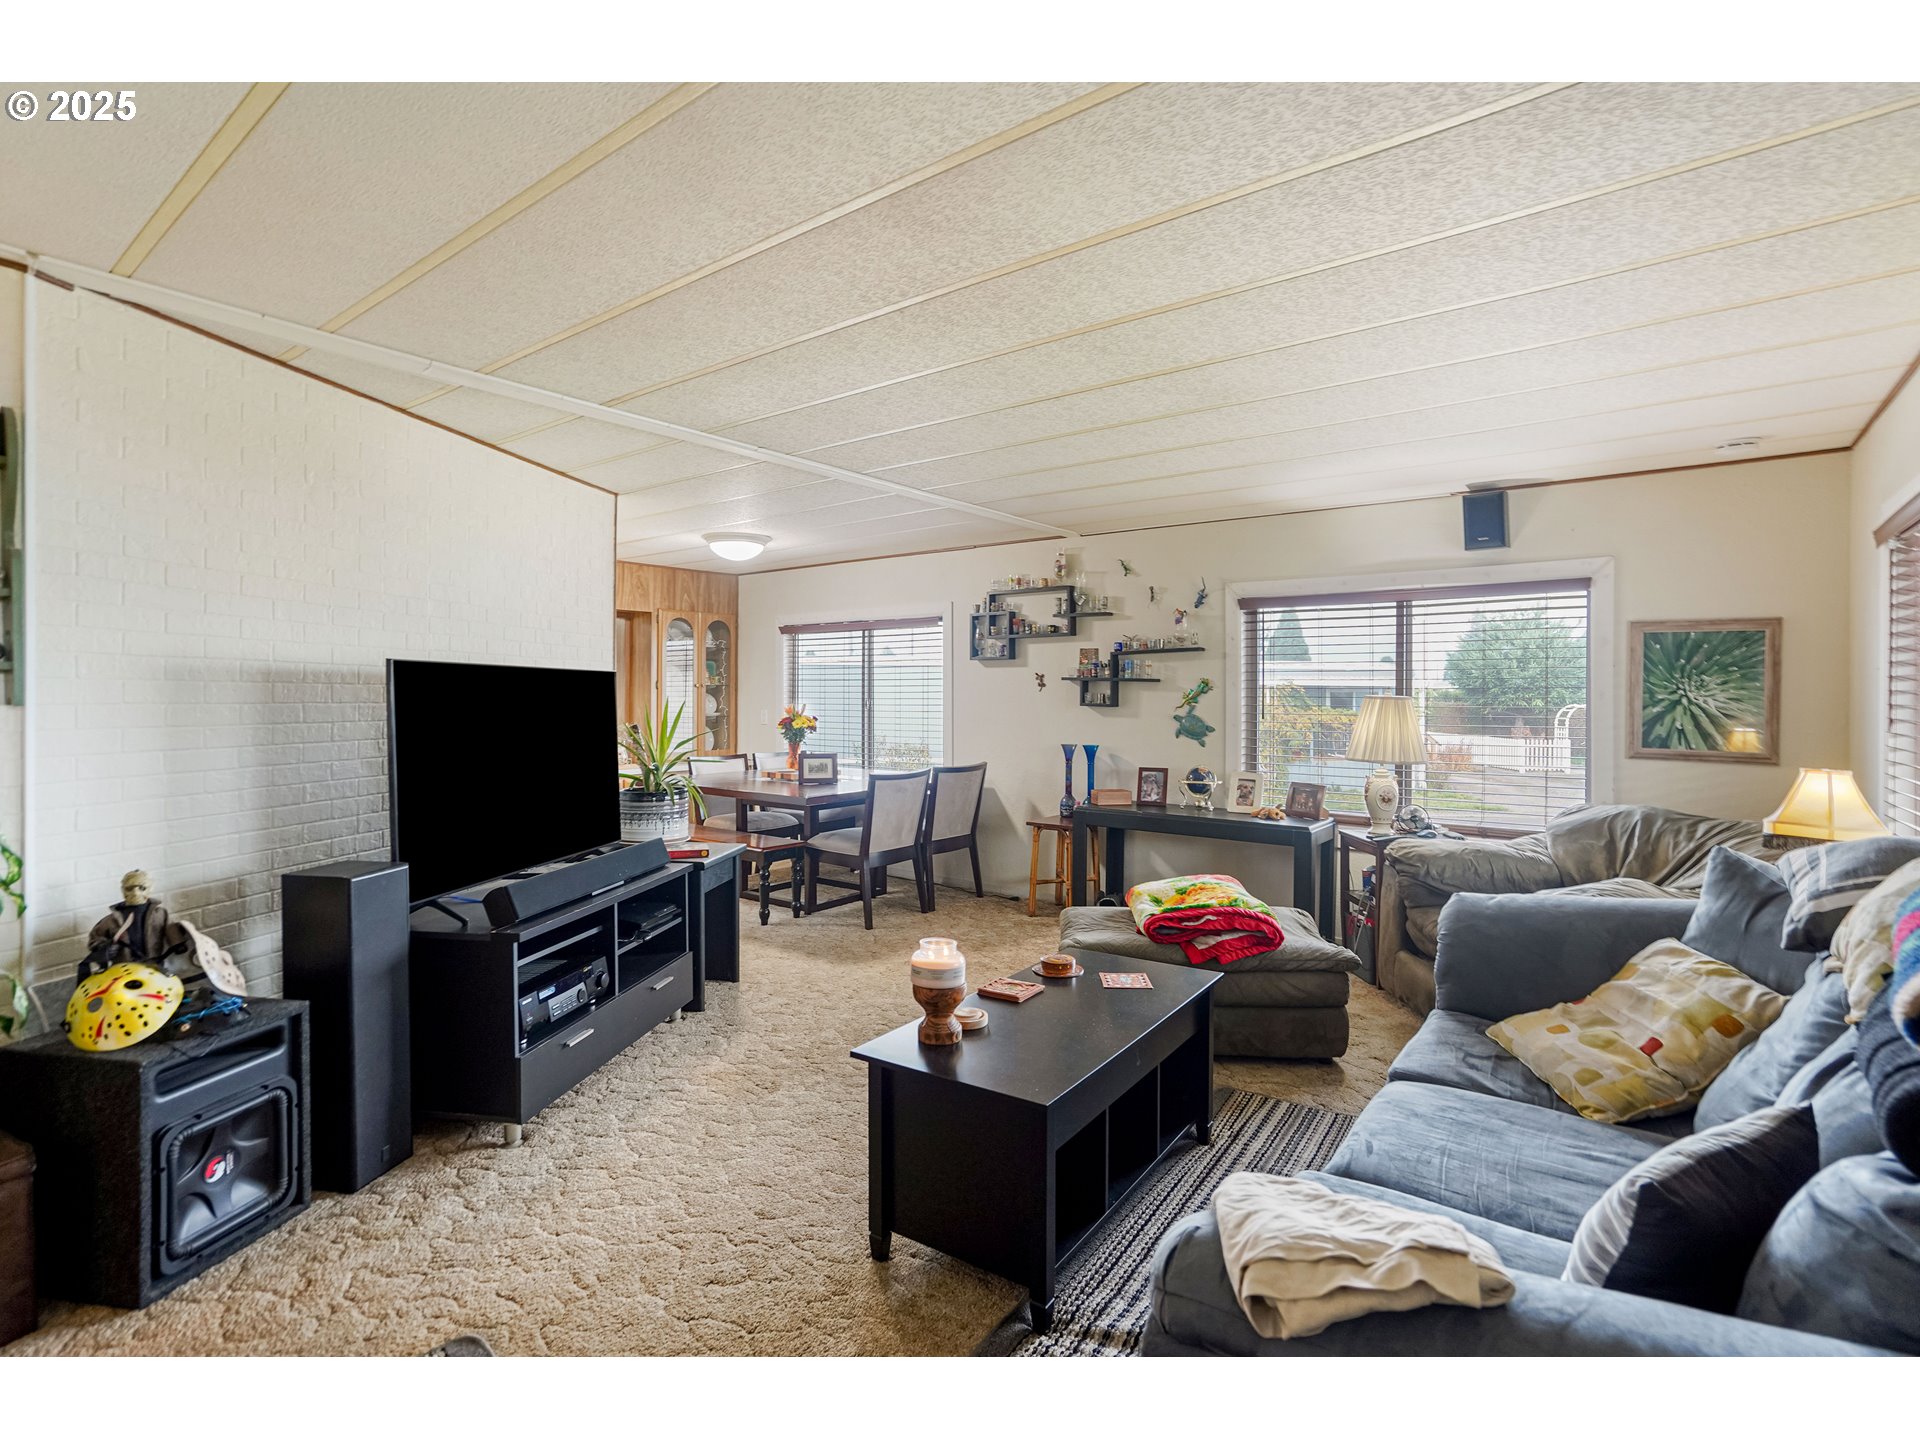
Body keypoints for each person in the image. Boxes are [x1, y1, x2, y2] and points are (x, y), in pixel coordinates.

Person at [80, 869, 188, 983]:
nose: (135, 893)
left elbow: (171, 929)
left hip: (153, 965)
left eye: (142, 888)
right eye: (129, 888)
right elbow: (96, 939)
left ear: (150, 889)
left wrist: (178, 943)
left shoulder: (160, 914)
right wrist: (105, 948)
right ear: (123, 890)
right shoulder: (112, 920)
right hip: (122, 969)